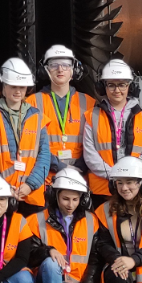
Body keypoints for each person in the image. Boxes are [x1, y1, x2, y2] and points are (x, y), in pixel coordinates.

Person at [0, 58, 61, 217]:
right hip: (2, 195)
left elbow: (44, 156)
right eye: (13, 86)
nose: (18, 91)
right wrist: (4, 187)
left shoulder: (38, 117)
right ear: (3, 87)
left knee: (33, 240)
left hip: (32, 194)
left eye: (22, 87)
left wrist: (30, 185)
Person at [80, 59, 142, 209]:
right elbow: (90, 155)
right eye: (111, 85)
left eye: (122, 84)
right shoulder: (92, 116)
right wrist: (115, 177)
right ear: (103, 87)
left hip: (138, 188)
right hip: (103, 189)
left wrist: (130, 178)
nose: (117, 90)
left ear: (130, 86)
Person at [35, 167, 97, 283]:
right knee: (51, 263)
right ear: (55, 196)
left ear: (82, 199)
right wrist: (47, 250)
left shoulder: (92, 221)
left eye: (75, 199)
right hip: (45, 282)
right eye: (65, 199)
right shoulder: (36, 220)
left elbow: (95, 260)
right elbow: (28, 256)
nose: (71, 205)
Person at [29, 45, 93, 187]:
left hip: (80, 177)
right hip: (46, 178)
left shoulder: (88, 102)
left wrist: (81, 166)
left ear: (74, 70)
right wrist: (60, 166)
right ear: (45, 70)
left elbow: (95, 142)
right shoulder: (32, 102)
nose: (60, 69)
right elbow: (31, 143)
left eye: (66, 65)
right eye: (54, 65)